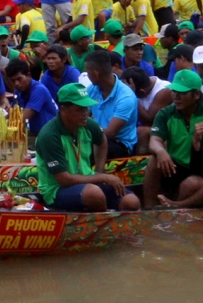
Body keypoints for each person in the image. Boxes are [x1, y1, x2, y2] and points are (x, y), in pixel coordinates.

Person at [33, 83, 141, 212]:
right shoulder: (49, 136)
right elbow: (64, 180)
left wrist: (99, 171)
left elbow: (102, 141)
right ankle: (101, 224)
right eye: (79, 109)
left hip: (88, 182)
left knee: (132, 202)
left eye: (87, 108)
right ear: (63, 109)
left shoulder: (88, 124)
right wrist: (103, 177)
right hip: (57, 190)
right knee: (94, 194)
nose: (86, 113)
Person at [145, 69, 203, 209]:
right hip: (173, 167)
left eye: (182, 93)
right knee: (154, 159)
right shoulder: (166, 113)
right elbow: (154, 141)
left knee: (193, 183)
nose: (176, 97)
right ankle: (148, 209)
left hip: (200, 169)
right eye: (174, 91)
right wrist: (161, 151)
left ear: (196, 94)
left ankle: (175, 209)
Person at [83, 50, 138, 158]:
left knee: (83, 148)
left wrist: (82, 136)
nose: (87, 76)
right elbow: (83, 113)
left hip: (119, 144)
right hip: (97, 137)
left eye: (88, 73)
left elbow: (110, 133)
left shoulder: (126, 97)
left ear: (96, 74)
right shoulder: (92, 89)